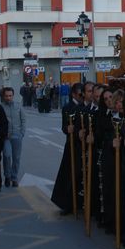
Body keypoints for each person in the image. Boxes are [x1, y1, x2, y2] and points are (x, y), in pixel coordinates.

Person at [51, 82, 84, 214]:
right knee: (69, 175)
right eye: (80, 93)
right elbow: (64, 127)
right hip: (72, 144)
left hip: (84, 144)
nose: (82, 96)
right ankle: (67, 203)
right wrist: (67, 129)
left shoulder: (85, 107)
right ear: (74, 94)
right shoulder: (67, 107)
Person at [1, 87, 26, 187]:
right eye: (6, 96)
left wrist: (22, 133)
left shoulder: (18, 106)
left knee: (16, 158)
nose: (8, 98)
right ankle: (7, 176)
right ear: (3, 96)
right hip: (6, 137)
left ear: (13, 95)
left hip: (17, 135)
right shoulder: (1, 107)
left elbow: (23, 120)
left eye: (10, 96)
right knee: (7, 156)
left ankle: (14, 177)